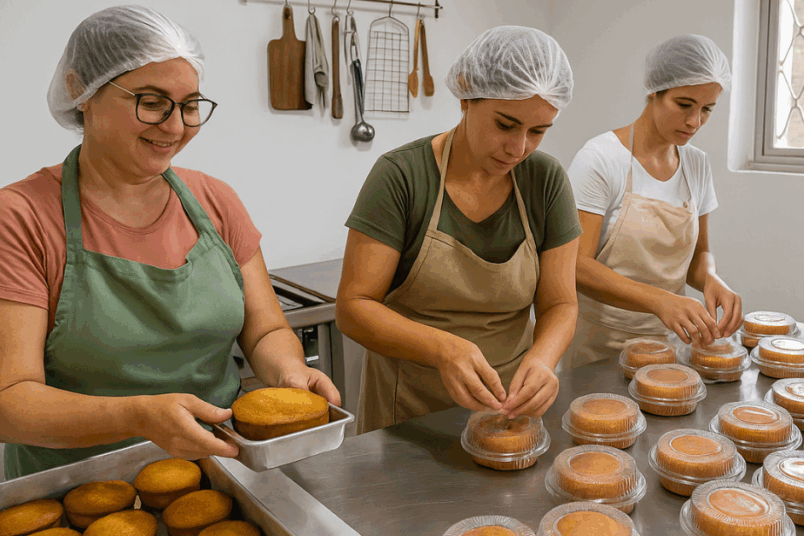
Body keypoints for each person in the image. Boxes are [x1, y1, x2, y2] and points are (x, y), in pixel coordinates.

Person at [0, 6, 340, 480]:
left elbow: (265, 331)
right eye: (152, 101)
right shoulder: (21, 217)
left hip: (220, 470)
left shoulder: (215, 200)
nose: (176, 126)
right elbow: (10, 400)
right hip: (73, 490)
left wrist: (288, 372)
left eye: (190, 105)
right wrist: (137, 417)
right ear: (83, 93)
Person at [336, 26, 580, 434]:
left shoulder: (546, 181)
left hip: (509, 413)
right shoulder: (402, 176)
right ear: (466, 96)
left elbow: (560, 304)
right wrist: (441, 348)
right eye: (505, 125)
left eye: (538, 131)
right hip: (409, 416)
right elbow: (353, 308)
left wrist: (542, 359)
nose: (519, 148)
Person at [566, 35, 743, 368]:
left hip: (669, 341)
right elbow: (576, 265)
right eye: (684, 104)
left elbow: (699, 255)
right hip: (599, 344)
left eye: (707, 109)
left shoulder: (697, 164)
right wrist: (660, 300)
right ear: (654, 91)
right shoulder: (601, 159)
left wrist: (712, 279)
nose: (695, 122)